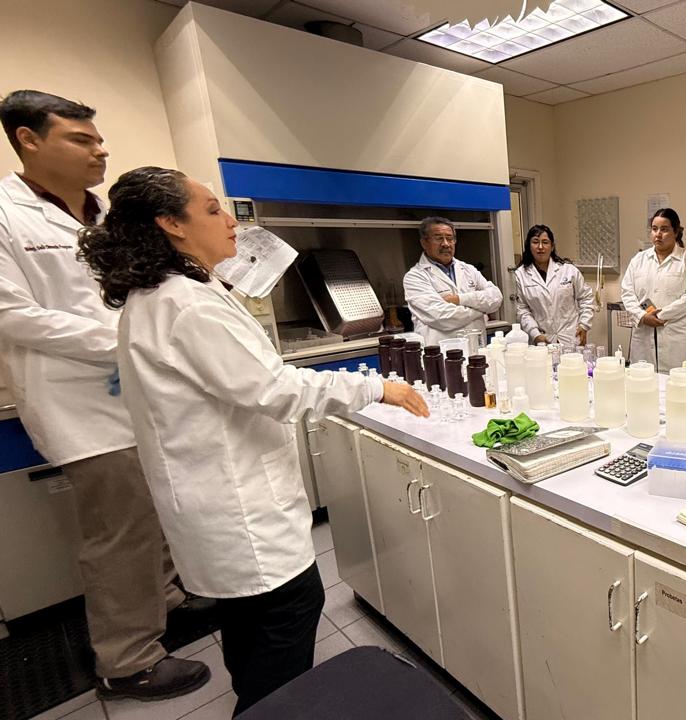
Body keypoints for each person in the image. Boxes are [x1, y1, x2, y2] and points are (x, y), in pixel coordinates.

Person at [78, 167, 430, 715]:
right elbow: (274, 389)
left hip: (212, 505)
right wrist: (375, 386)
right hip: (240, 512)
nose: (231, 223)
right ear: (170, 223)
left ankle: (254, 699)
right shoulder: (186, 304)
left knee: (247, 627)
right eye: (213, 209)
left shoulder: (160, 295)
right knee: (287, 624)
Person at [0, 91, 210, 700]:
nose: (101, 150)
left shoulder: (106, 213)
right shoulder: (7, 214)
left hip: (139, 391)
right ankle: (128, 660)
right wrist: (127, 341)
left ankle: (168, 600)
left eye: (98, 138)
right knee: (119, 532)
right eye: (81, 139)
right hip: (78, 403)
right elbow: (13, 315)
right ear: (28, 140)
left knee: (157, 509)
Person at [620, 208, 686, 372]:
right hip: (644, 333)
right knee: (644, 383)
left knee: (678, 387)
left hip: (677, 337)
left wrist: (659, 315)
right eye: (654, 229)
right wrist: (643, 316)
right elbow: (627, 293)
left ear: (676, 232)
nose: (658, 234)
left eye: (664, 229)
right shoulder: (638, 260)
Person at [404, 216, 503, 347]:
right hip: (441, 354)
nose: (446, 243)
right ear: (424, 243)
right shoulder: (415, 277)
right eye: (439, 238)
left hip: (477, 350)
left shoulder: (468, 269)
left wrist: (459, 299)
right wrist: (481, 311)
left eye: (450, 238)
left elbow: (496, 298)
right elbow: (442, 317)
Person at [512, 224, 594, 347]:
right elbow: (522, 310)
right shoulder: (521, 275)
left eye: (545, 242)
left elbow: (586, 298)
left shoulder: (568, 270)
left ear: (552, 246)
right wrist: (535, 334)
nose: (540, 247)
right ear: (529, 246)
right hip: (542, 338)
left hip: (571, 336)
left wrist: (584, 325)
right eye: (535, 242)